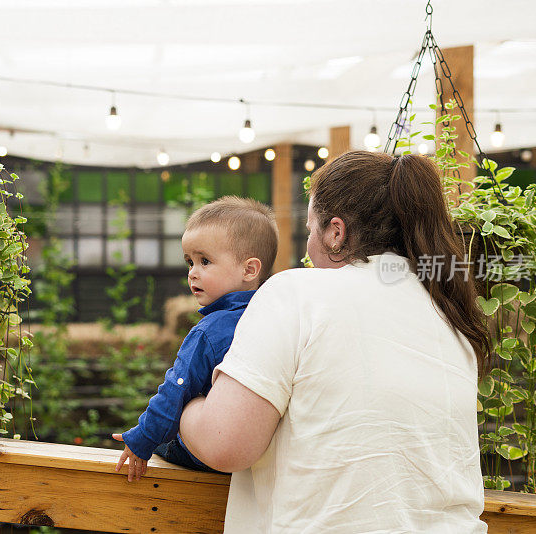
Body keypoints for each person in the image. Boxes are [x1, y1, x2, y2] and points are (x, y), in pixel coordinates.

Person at [179, 151, 491, 533]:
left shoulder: (297, 293)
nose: (308, 246)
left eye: (311, 230)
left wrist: (185, 404)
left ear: (336, 233)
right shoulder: (450, 314)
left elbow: (224, 442)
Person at [112, 196, 279, 482]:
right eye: (190, 261)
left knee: (170, 429)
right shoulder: (275, 318)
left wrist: (142, 438)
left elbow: (177, 386)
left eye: (205, 261)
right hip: (260, 451)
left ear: (249, 270)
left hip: (211, 453)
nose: (193, 272)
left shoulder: (209, 330)